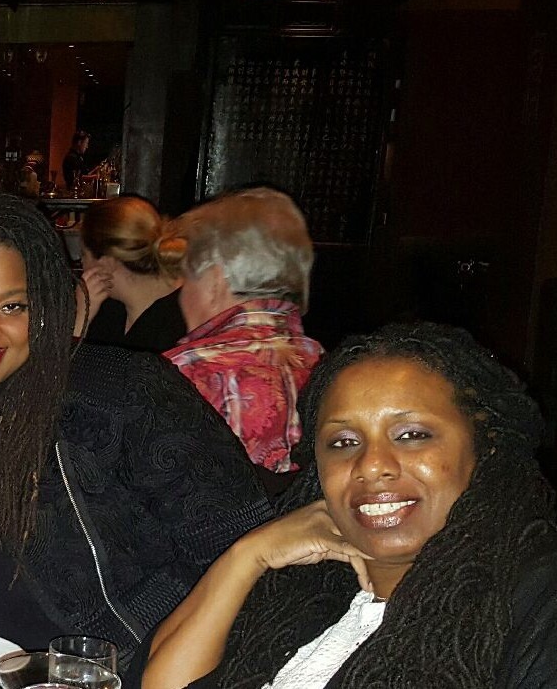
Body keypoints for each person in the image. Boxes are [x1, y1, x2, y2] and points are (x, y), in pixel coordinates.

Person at [0, 193, 270, 670]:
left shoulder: (121, 393)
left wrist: (138, 650)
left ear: (41, 310)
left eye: (12, 307)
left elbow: (236, 545)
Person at [141, 322, 557, 688]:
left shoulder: (533, 603)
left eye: (411, 435)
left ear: (485, 446)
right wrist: (248, 555)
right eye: (344, 442)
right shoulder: (307, 593)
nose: (371, 465)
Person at [164, 187, 324, 484]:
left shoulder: (178, 375)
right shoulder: (329, 366)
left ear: (214, 280)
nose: (180, 295)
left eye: (186, 279)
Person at [73, 195, 188, 353]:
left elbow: (60, 365)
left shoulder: (179, 321)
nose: (82, 263)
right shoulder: (106, 307)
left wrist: (79, 321)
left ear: (107, 262)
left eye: (84, 255)